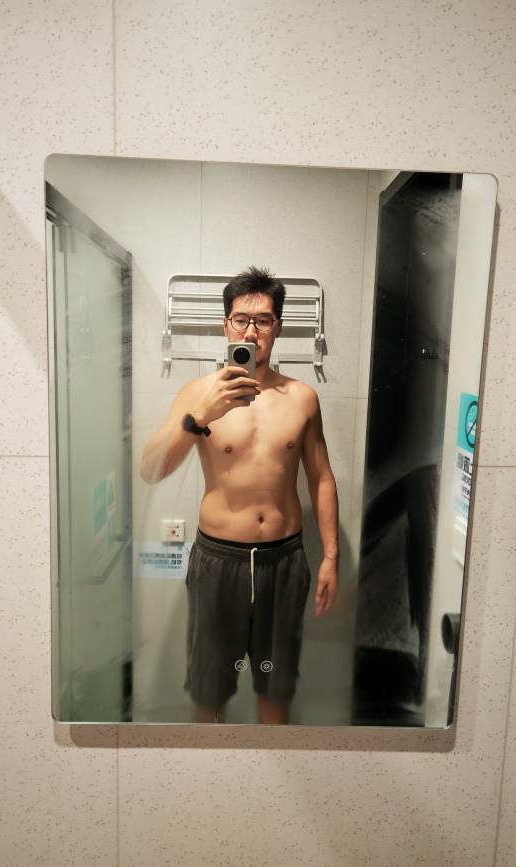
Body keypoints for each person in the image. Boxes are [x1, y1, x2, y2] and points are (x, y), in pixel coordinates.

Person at [140, 267, 338, 724]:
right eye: (241, 319)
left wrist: (331, 555)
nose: (251, 331)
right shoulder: (197, 394)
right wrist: (199, 416)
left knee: (276, 692)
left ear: (278, 328)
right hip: (218, 561)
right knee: (209, 695)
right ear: (225, 325)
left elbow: (322, 477)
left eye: (263, 321)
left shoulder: (303, 398)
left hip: (283, 562)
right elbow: (151, 469)